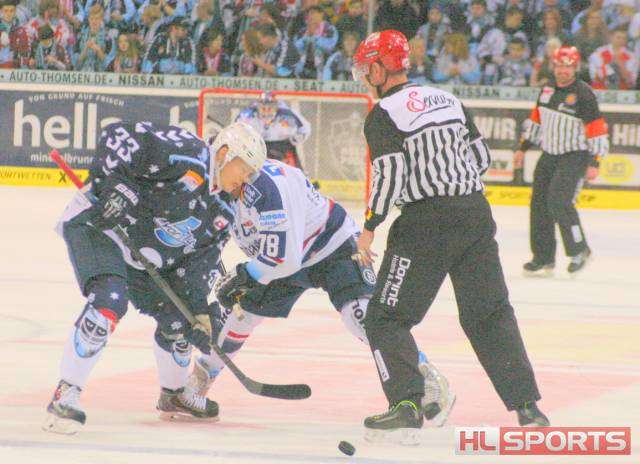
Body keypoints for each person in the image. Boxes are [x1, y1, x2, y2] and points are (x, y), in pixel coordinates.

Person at [352, 29, 548, 444]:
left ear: (379, 69)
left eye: (366, 69)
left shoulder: (383, 114)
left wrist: (369, 228)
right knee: (489, 314)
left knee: (385, 317)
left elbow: (390, 175)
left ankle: (407, 405)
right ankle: (528, 408)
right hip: (475, 214)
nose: (364, 76)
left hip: (426, 224)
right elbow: (480, 157)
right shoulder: (447, 99)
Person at [187, 150, 456, 429]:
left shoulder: (265, 185)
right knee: (241, 316)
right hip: (282, 257)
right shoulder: (222, 193)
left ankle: (425, 375)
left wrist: (245, 275)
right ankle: (200, 379)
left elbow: (283, 256)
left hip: (332, 244)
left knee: (361, 315)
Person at [43, 121, 266, 434]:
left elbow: (200, 262)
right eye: (244, 170)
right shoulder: (186, 152)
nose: (245, 180)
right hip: (100, 227)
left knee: (182, 320)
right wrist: (117, 188)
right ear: (225, 154)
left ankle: (173, 396)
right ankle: (66, 392)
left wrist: (199, 311)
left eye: (251, 174)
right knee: (109, 300)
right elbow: (118, 135)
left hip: (145, 257)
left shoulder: (224, 208)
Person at [515, 46, 610, 276]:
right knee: (538, 206)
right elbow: (536, 121)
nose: (562, 71)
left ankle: (580, 249)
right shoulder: (547, 89)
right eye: (559, 66)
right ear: (553, 66)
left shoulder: (584, 94)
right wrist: (522, 149)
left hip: (574, 155)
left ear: (575, 68)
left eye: (567, 67)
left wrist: (595, 162)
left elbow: (597, 130)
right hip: (549, 154)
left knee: (559, 202)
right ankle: (543, 258)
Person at [235, 92, 311, 170]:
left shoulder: (287, 114)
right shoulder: (247, 115)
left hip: (283, 147)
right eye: (263, 108)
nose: (266, 111)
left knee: (295, 173)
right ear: (258, 107)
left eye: (270, 108)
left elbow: (305, 128)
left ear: (276, 107)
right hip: (257, 146)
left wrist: (293, 140)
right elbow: (235, 129)